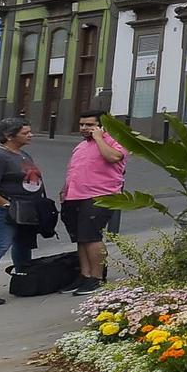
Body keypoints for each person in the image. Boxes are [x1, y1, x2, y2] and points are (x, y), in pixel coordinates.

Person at [0, 117, 44, 306]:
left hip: (24, 211)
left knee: (23, 245)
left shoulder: (22, 154)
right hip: (4, 211)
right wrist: (6, 205)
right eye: (25, 133)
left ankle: (23, 280)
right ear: (9, 136)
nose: (30, 135)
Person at [62, 107, 127, 296]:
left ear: (102, 126)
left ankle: (97, 278)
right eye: (82, 124)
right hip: (75, 196)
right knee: (81, 239)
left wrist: (99, 138)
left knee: (92, 237)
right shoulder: (81, 145)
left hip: (100, 195)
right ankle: (85, 274)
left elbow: (114, 157)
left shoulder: (114, 141)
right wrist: (65, 189)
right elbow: (74, 169)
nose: (84, 128)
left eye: (90, 125)